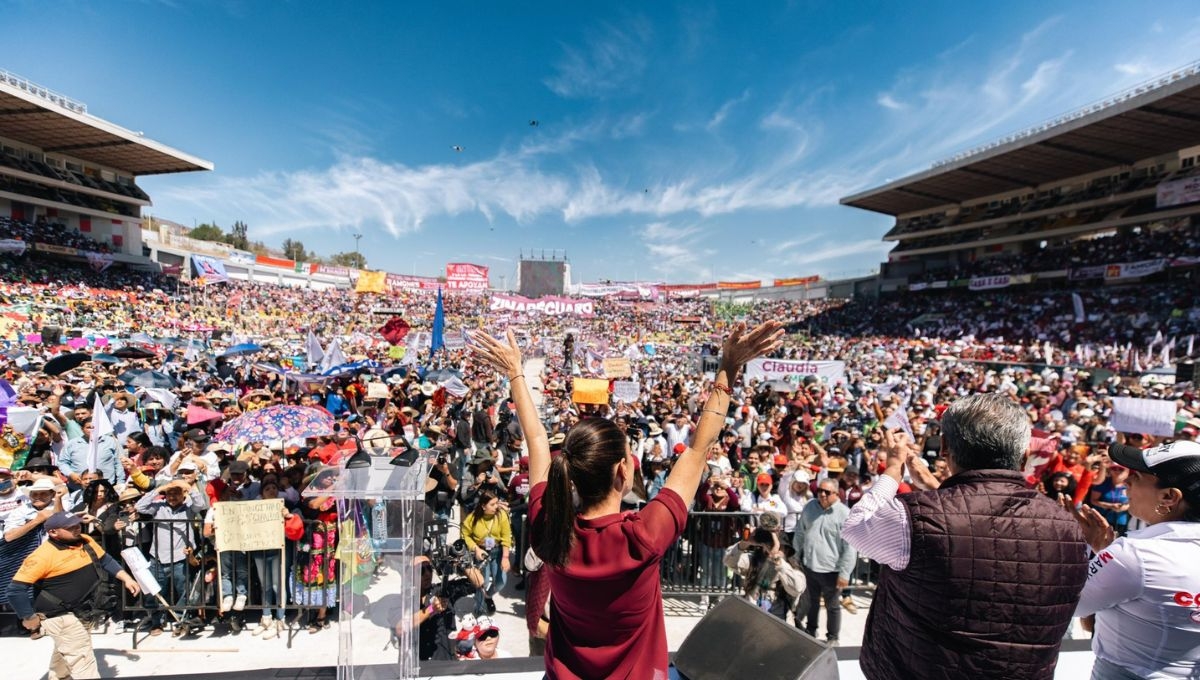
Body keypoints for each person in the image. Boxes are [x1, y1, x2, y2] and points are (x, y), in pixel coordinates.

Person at [469, 321, 782, 679]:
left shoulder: (548, 529)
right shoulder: (644, 535)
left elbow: (537, 439)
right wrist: (728, 367)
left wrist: (515, 372)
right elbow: (697, 451)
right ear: (623, 470)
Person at [843, 394, 1089, 680]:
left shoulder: (913, 519)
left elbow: (857, 525)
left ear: (945, 448)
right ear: (1023, 457)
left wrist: (894, 468)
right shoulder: (1067, 527)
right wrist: (938, 489)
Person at [1072, 440, 1200, 679]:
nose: (1126, 481)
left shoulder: (1134, 554)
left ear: (1169, 496)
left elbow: (1072, 605)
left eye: (1138, 477)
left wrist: (1095, 553)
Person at [7, 512, 140, 680]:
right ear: (53, 532)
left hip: (83, 610)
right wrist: (28, 617)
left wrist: (126, 578)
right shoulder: (41, 556)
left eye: (78, 525)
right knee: (83, 660)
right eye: (71, 527)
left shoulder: (86, 540)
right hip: (59, 615)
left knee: (66, 655)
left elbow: (105, 560)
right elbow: (15, 590)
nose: (77, 529)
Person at [792, 477, 856, 644]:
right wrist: (795, 556)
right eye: (819, 490)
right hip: (810, 565)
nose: (821, 494)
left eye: (826, 492)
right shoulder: (810, 507)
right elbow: (800, 532)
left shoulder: (845, 514)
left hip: (832, 570)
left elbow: (850, 547)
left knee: (832, 606)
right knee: (812, 603)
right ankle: (811, 631)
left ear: (836, 494)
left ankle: (833, 637)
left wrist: (845, 573)